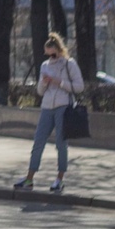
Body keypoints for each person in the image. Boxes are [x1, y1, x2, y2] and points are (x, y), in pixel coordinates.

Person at [17, 32, 84, 193]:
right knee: (38, 142)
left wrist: (59, 82)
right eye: (48, 55)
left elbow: (79, 87)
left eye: (53, 54)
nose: (51, 58)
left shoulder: (69, 64)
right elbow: (40, 91)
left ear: (58, 50)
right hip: (47, 107)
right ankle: (29, 178)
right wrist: (44, 82)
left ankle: (59, 179)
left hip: (63, 106)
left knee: (61, 144)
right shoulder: (45, 66)